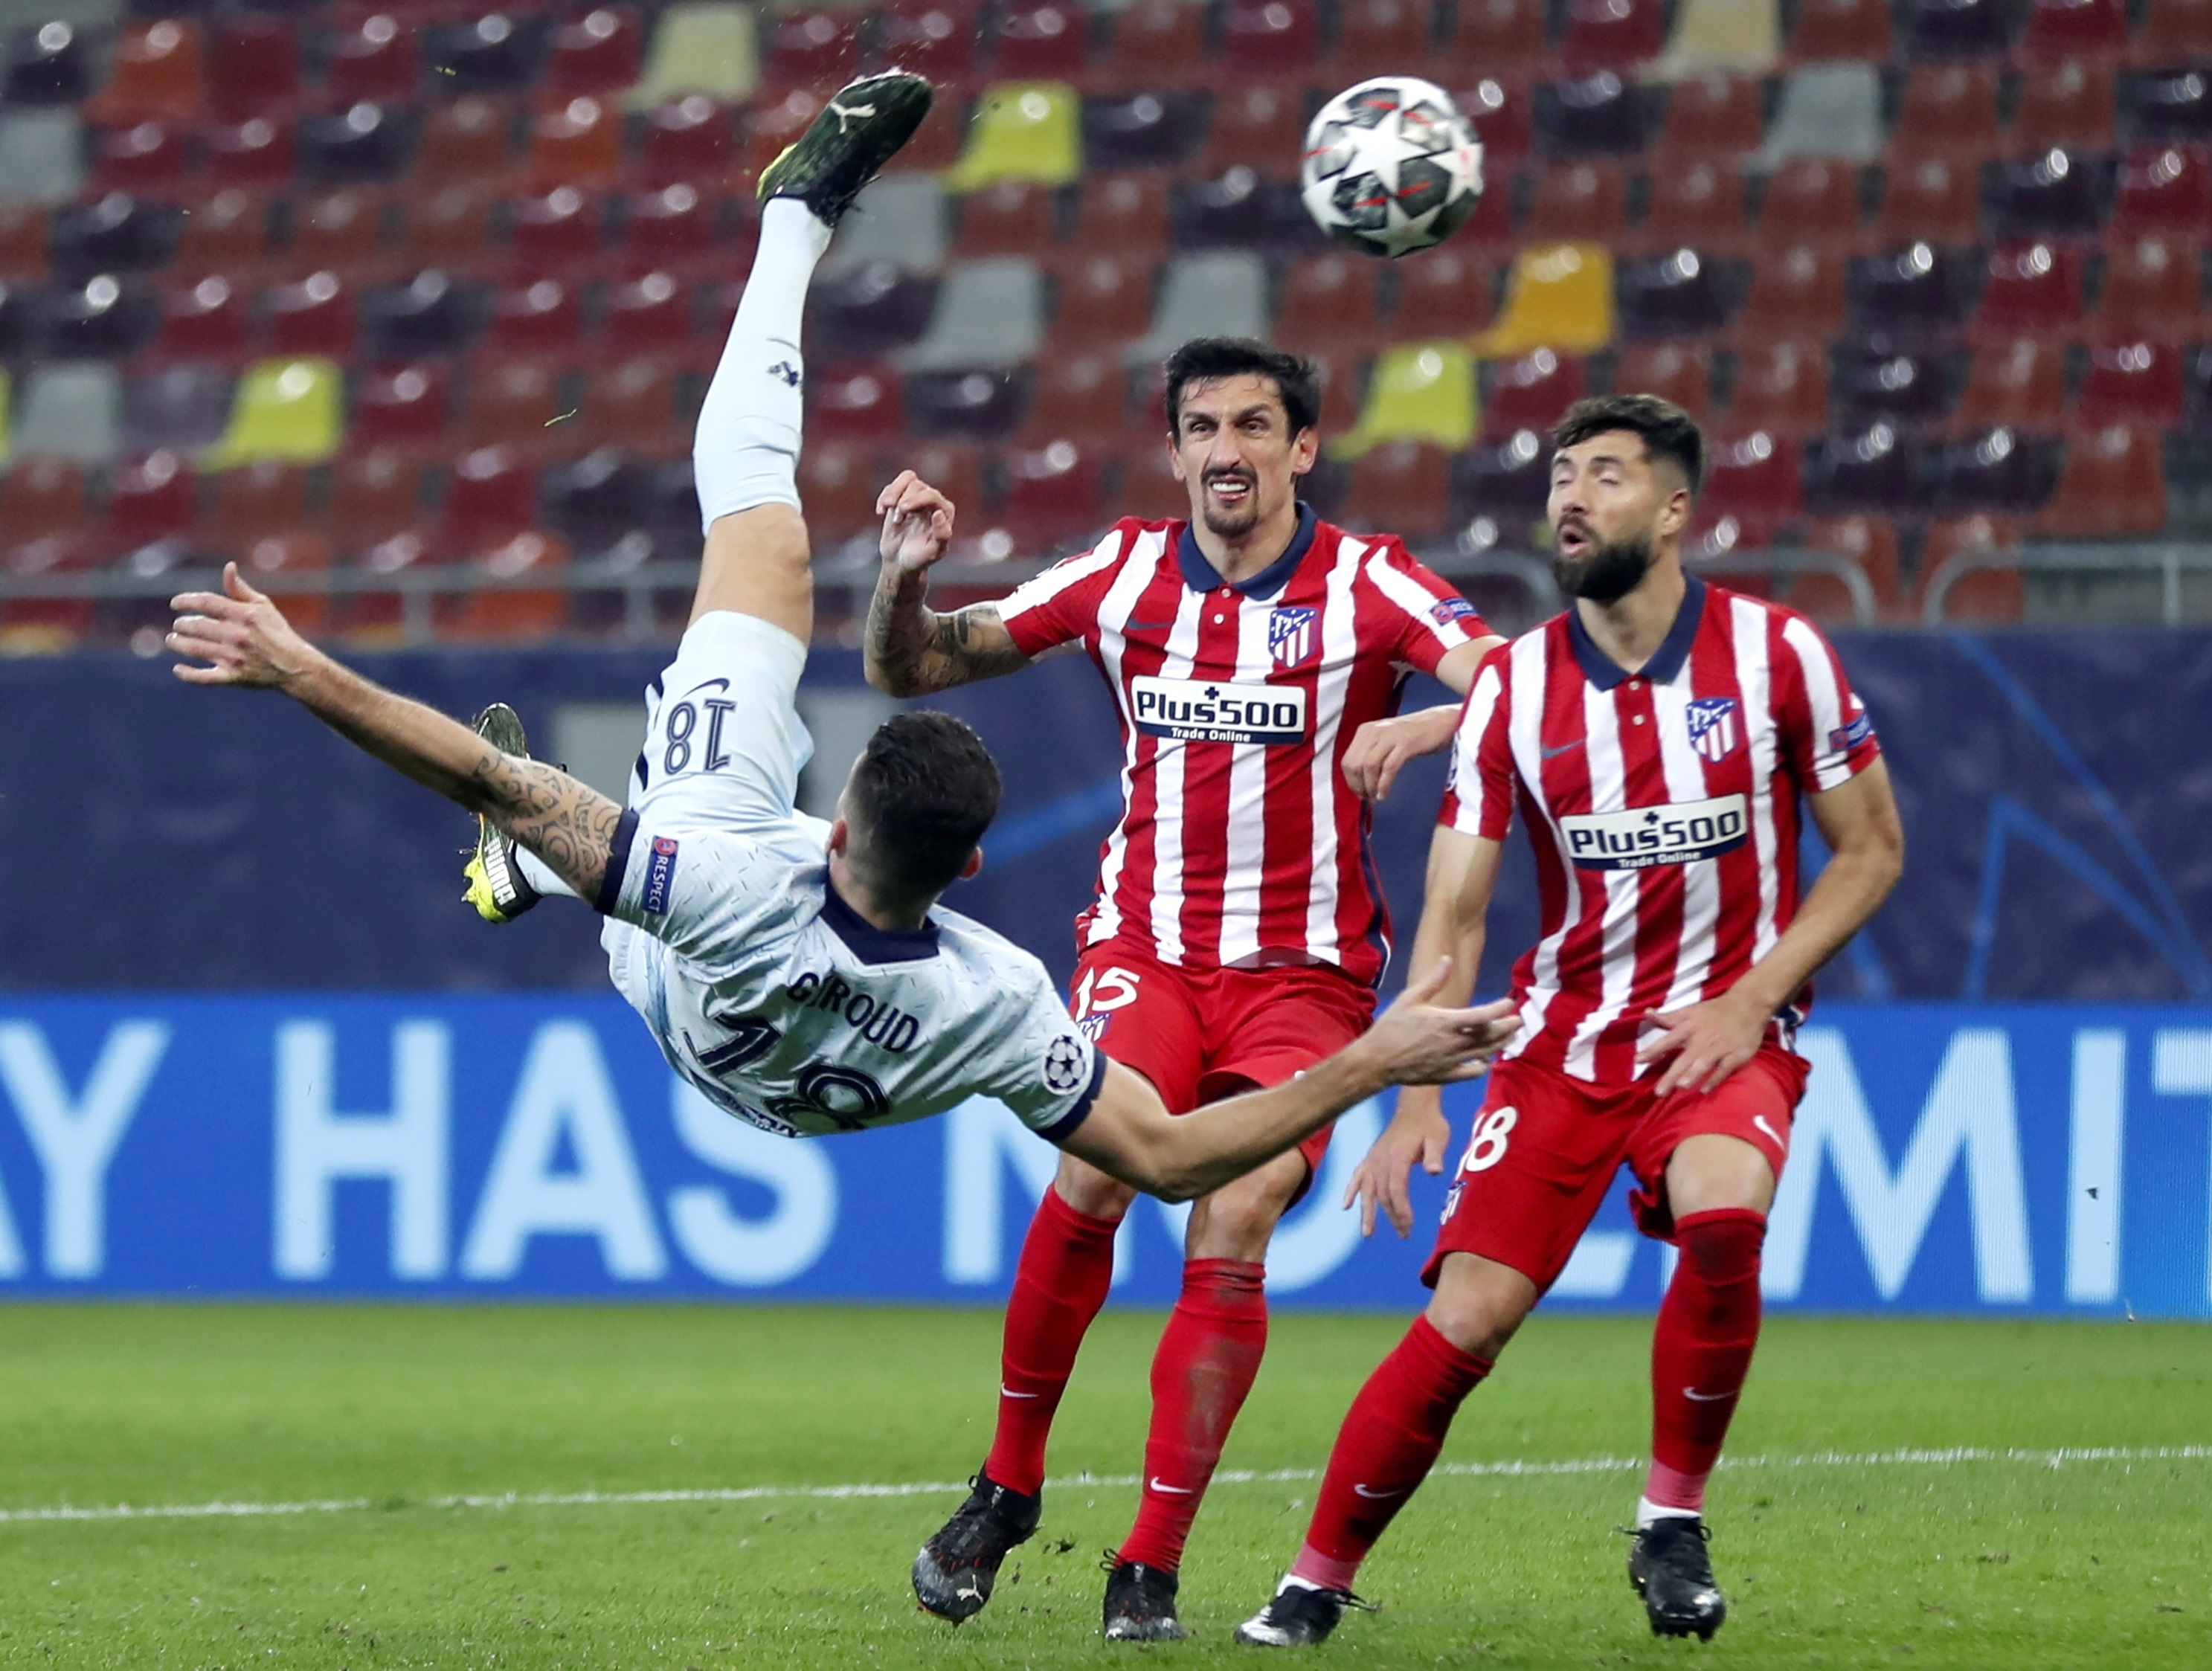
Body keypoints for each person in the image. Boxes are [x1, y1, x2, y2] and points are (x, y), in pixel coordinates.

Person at [161, 77, 1517, 1226]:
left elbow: (479, 769)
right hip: (790, 1078)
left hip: (694, 948)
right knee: (596, 792)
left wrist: (301, 668)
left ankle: (792, 226)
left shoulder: (727, 874)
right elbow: (1168, 1158)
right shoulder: (999, 996)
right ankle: (529, 874)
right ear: (964, 867)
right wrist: (1375, 1065)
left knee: (743, 565)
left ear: (833, 816)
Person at [1232, 394, 1906, 1649]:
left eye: (1605, 475)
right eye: (1561, 476)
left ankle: (1671, 1522)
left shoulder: (1778, 657)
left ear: (1674, 509)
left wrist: (1749, 1000)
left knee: (1722, 1215)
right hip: (1559, 1048)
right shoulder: (1515, 691)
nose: (1572, 498)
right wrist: (1418, 1091)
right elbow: (1457, 905)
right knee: (1467, 1320)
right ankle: (1312, 1581)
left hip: (1721, 1037)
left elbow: (1871, 852)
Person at [869, 338, 1505, 1638]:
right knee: (1097, 1171)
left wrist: (1427, 721)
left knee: (1243, 1210)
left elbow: (1529, 686)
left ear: (1303, 448)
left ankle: (1148, 1564)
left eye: (1256, 426)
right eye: (1204, 427)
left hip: (1306, 982)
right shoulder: (1122, 572)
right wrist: (900, 580)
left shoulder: (1372, 586)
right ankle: (1007, 1485)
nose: (1228, 450)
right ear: (1173, 452)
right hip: (1145, 950)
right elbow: (917, 666)